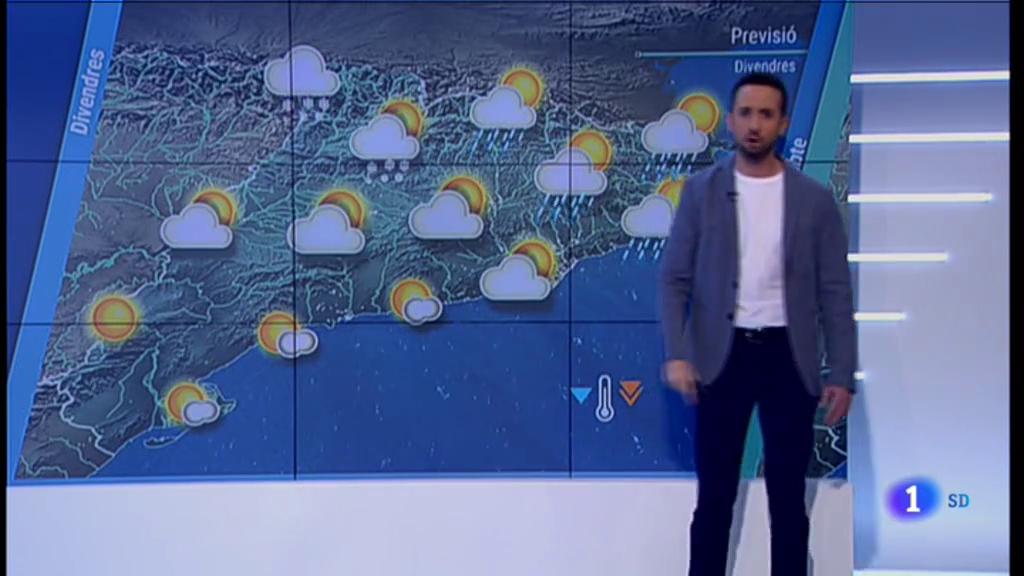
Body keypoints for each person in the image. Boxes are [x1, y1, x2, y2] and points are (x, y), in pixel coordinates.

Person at [659, 72, 857, 576]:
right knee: (715, 499)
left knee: (788, 502)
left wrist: (841, 373)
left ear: (783, 123)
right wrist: (678, 352)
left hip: (789, 360)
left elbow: (835, 292)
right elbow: (675, 279)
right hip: (722, 360)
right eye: (746, 113)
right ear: (730, 121)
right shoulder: (701, 193)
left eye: (766, 114)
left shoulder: (814, 201)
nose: (754, 124)